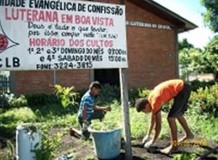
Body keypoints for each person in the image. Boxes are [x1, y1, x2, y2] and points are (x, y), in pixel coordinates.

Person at [135, 79, 194, 154]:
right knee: (177, 114)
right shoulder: (150, 100)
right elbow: (152, 120)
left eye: (144, 111)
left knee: (170, 118)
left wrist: (152, 141)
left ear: (146, 106)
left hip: (182, 88)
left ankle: (174, 147)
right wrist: (148, 135)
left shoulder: (155, 101)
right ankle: (189, 134)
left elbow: (158, 125)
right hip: (182, 87)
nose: (145, 113)